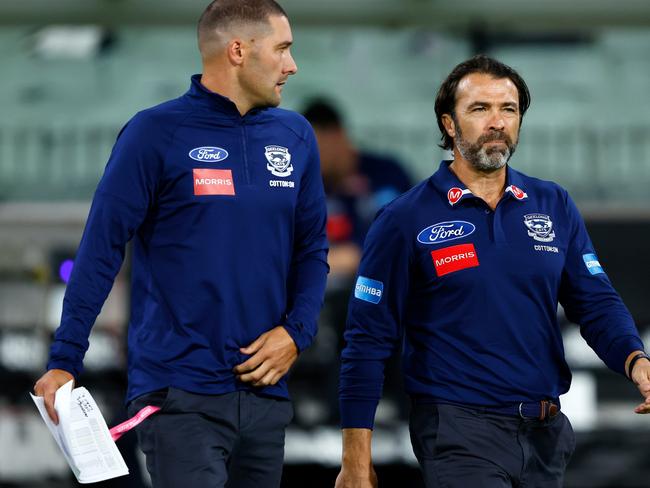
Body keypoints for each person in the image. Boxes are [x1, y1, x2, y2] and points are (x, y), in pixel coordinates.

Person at [33, 1, 329, 487]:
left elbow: (312, 249)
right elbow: (101, 248)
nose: (292, 65)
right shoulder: (154, 134)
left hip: (265, 395)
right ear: (238, 50)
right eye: (282, 49)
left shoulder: (295, 136)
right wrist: (65, 359)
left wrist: (297, 333)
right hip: (178, 394)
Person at [335, 55, 650, 488]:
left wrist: (636, 360)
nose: (497, 121)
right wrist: (355, 457)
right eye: (480, 109)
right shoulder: (403, 219)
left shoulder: (553, 203)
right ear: (449, 123)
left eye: (509, 109)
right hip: (459, 431)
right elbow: (366, 341)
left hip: (546, 432)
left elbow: (595, 302)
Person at [303, 99, 412, 278]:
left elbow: (403, 237)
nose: (308, 157)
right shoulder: (310, 189)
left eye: (313, 146)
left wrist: (351, 256)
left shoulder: (387, 174)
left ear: (336, 134)